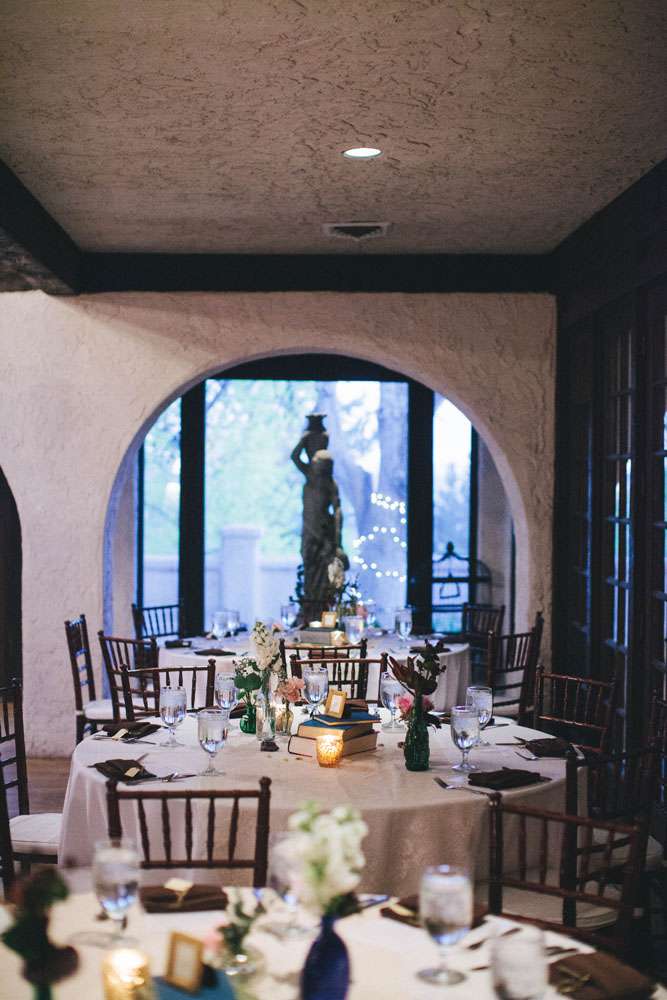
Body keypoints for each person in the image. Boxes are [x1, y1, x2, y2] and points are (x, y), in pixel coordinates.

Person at [291, 421, 349, 603]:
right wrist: (304, 439)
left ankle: (322, 605)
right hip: (309, 528)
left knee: (324, 570)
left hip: (323, 530)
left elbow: (338, 508)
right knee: (309, 565)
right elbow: (294, 457)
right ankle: (310, 604)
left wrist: (338, 539)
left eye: (318, 463)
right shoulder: (309, 476)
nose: (314, 465)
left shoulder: (330, 483)